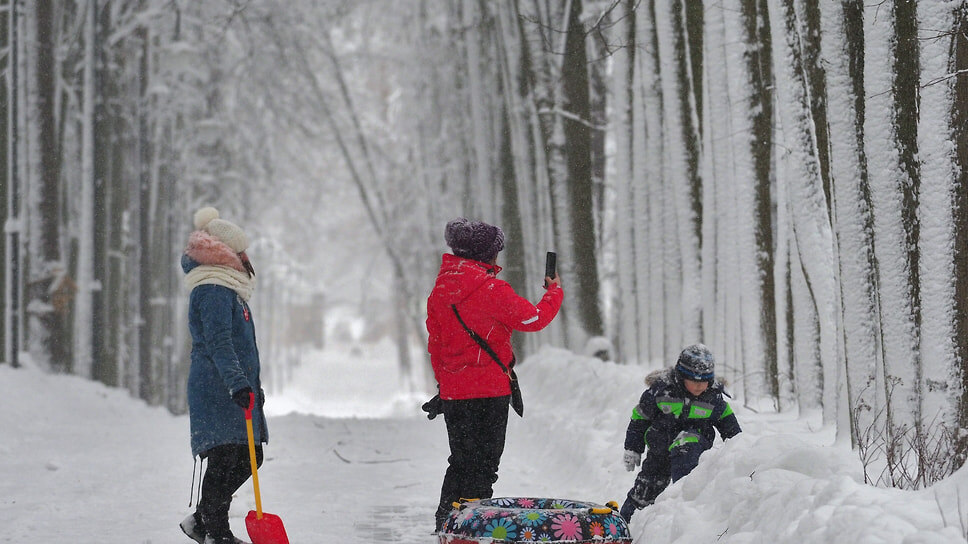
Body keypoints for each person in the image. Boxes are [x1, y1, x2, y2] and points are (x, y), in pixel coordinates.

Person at [426, 217, 563, 532]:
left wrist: (446, 385)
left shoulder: (440, 289)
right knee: (484, 468)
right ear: (487, 255)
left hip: (455, 394)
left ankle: (445, 524)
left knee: (460, 462)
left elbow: (436, 344)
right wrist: (554, 292)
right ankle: (472, 530)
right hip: (489, 392)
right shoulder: (490, 288)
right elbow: (533, 319)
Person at [179, 207, 267, 544]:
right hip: (217, 387)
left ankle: (205, 521)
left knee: (247, 454)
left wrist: (249, 385)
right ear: (225, 253)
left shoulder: (228, 289)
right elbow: (218, 342)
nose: (246, 259)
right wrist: (238, 384)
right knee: (228, 456)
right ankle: (216, 529)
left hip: (231, 385)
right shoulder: (214, 288)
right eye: (240, 252)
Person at [619, 343, 741, 522]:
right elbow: (640, 419)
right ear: (681, 376)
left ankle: (685, 503)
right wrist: (633, 448)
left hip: (692, 452)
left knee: (687, 445)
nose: (700, 386)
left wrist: (738, 452)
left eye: (704, 381)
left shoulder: (713, 398)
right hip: (659, 450)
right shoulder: (661, 391)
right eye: (694, 381)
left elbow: (732, 430)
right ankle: (625, 524)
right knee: (645, 489)